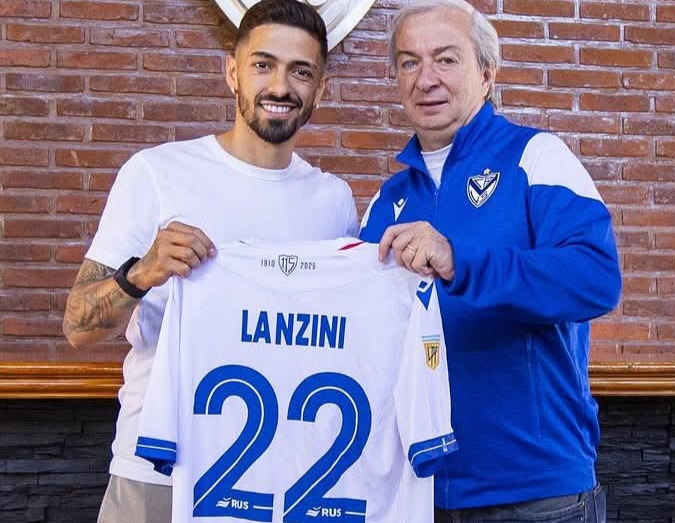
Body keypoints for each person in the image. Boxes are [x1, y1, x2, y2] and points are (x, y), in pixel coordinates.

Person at [62, 2, 358, 522]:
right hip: (156, 471)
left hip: (278, 479)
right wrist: (142, 272)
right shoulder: (156, 172)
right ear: (232, 72)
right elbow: (78, 327)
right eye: (263, 65)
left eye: (300, 71)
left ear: (321, 89)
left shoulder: (333, 201)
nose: (280, 87)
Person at [359, 1, 621, 522]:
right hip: (417, 493)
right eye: (409, 62)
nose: (426, 79)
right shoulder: (387, 201)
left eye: (446, 59)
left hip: (534, 494)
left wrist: (461, 262)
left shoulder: (537, 157)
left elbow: (595, 277)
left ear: (486, 73)